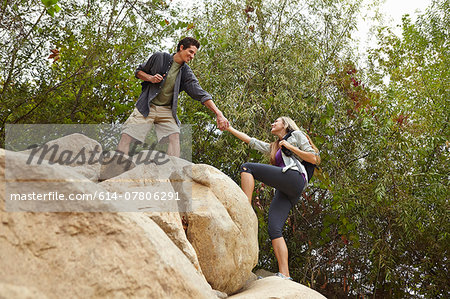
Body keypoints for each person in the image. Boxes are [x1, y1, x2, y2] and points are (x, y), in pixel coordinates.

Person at [100, 37, 229, 180]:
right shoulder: (159, 57)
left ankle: (171, 176)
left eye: (194, 54)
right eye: (190, 52)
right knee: (127, 135)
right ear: (181, 48)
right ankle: (115, 173)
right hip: (147, 106)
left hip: (166, 110)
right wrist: (150, 78)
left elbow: (200, 93)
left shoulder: (185, 72)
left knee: (174, 136)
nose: (192, 56)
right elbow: (138, 72)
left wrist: (218, 113)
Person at [226, 116, 320, 280]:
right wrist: (229, 128)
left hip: (295, 178)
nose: (272, 123)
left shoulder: (297, 135)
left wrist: (290, 146)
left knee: (247, 167)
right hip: (287, 190)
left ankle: (246, 208)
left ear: (285, 124)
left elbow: (314, 158)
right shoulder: (274, 146)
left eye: (276, 121)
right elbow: (252, 141)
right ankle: (285, 274)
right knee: (274, 229)